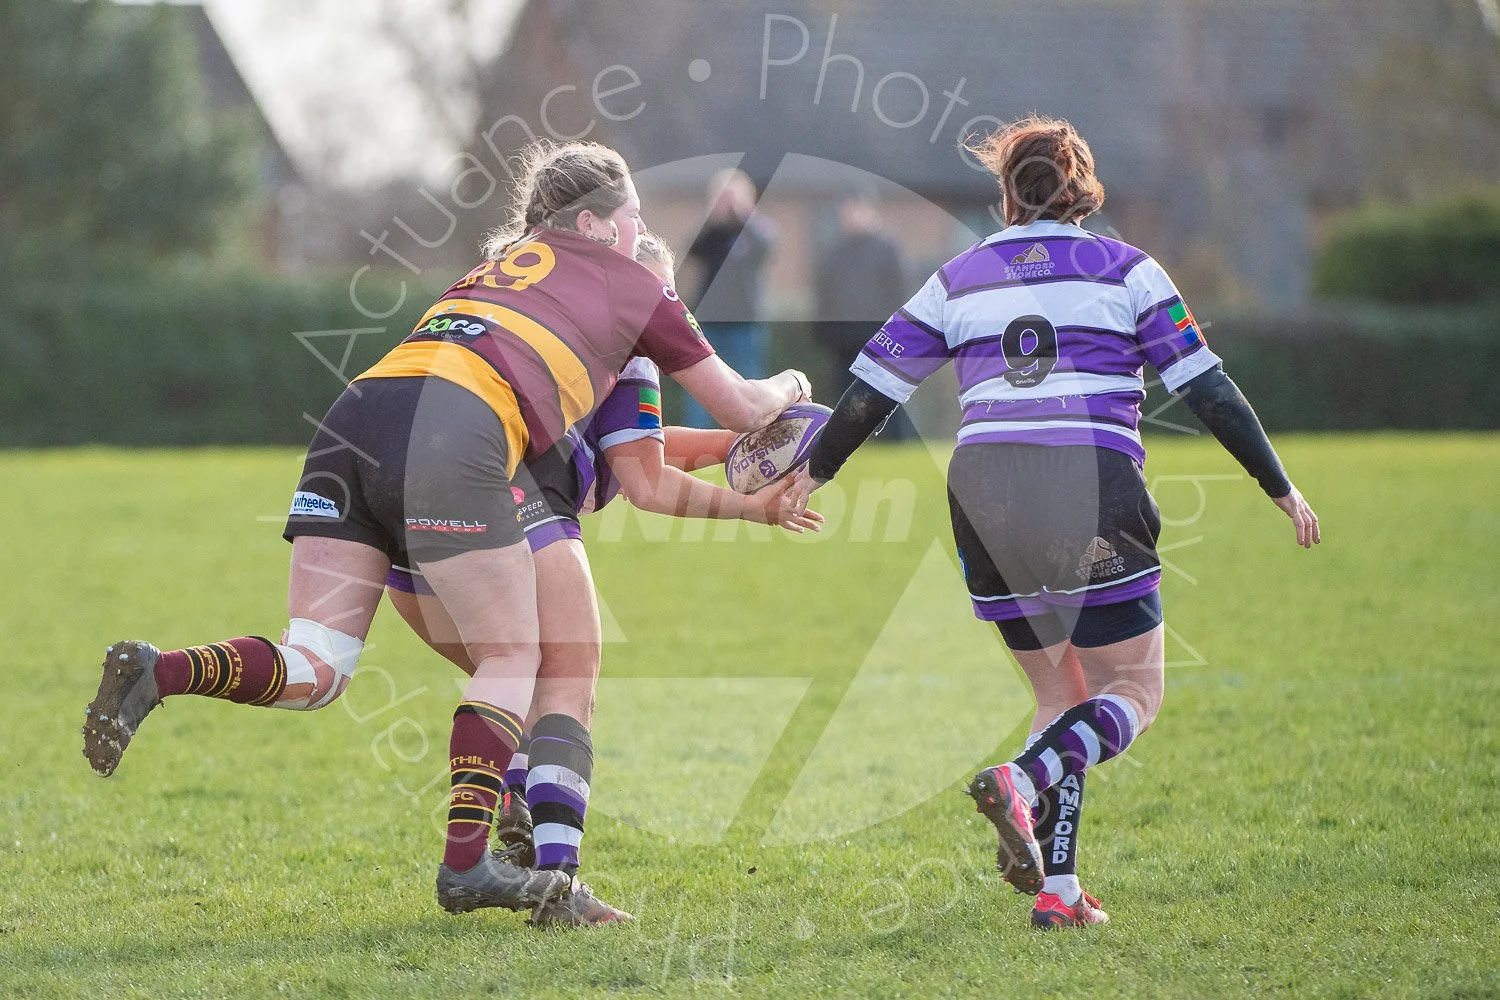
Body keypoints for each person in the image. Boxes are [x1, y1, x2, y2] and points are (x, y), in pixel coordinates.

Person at [82, 141, 812, 919]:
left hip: (358, 417)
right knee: (519, 656)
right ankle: (472, 865)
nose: (639, 232)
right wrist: (795, 390)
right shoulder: (629, 281)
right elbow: (735, 408)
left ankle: (160, 672)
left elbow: (636, 460)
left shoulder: (498, 268)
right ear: (596, 225)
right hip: (453, 434)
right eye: (632, 218)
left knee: (317, 665)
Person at [786, 116, 1320, 930]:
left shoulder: (958, 277)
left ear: (1008, 193)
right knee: (1133, 689)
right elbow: (1207, 389)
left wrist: (810, 475)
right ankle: (1022, 783)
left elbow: (871, 393)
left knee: (1060, 696)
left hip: (983, 490)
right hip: (1088, 480)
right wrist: (1279, 486)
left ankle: (1060, 893)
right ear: (1083, 186)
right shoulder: (1128, 269)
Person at [382, 232, 821, 926]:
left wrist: (733, 454)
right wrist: (753, 504)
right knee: (565, 691)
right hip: (510, 513)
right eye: (662, 293)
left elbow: (633, 446)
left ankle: (517, 807)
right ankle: (557, 884)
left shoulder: (523, 325)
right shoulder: (631, 340)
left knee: (517, 688)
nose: (667, 311)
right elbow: (644, 481)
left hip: (406, 526)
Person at [680, 169, 776, 428]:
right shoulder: (712, 233)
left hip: (745, 322)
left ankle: (755, 435)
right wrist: (712, 217)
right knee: (702, 387)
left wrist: (743, 214)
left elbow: (767, 244)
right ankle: (698, 438)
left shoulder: (753, 232)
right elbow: (692, 251)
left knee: (749, 383)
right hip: (709, 322)